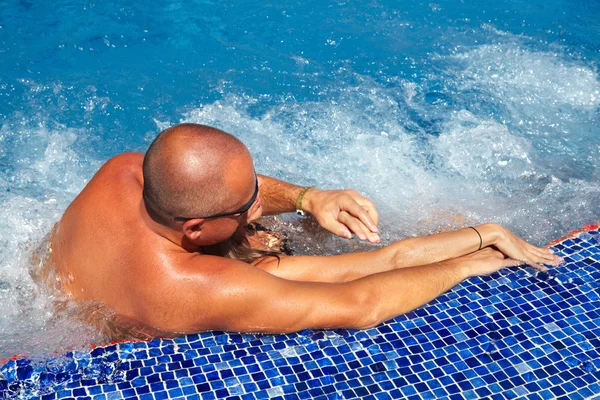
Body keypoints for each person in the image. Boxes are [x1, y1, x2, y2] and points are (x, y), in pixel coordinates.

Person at [50, 123, 561, 336]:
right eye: (247, 205)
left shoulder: (121, 173)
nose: (259, 205)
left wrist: (307, 198)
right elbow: (361, 302)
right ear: (198, 229)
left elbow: (203, 182)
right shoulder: (205, 285)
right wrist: (468, 259)